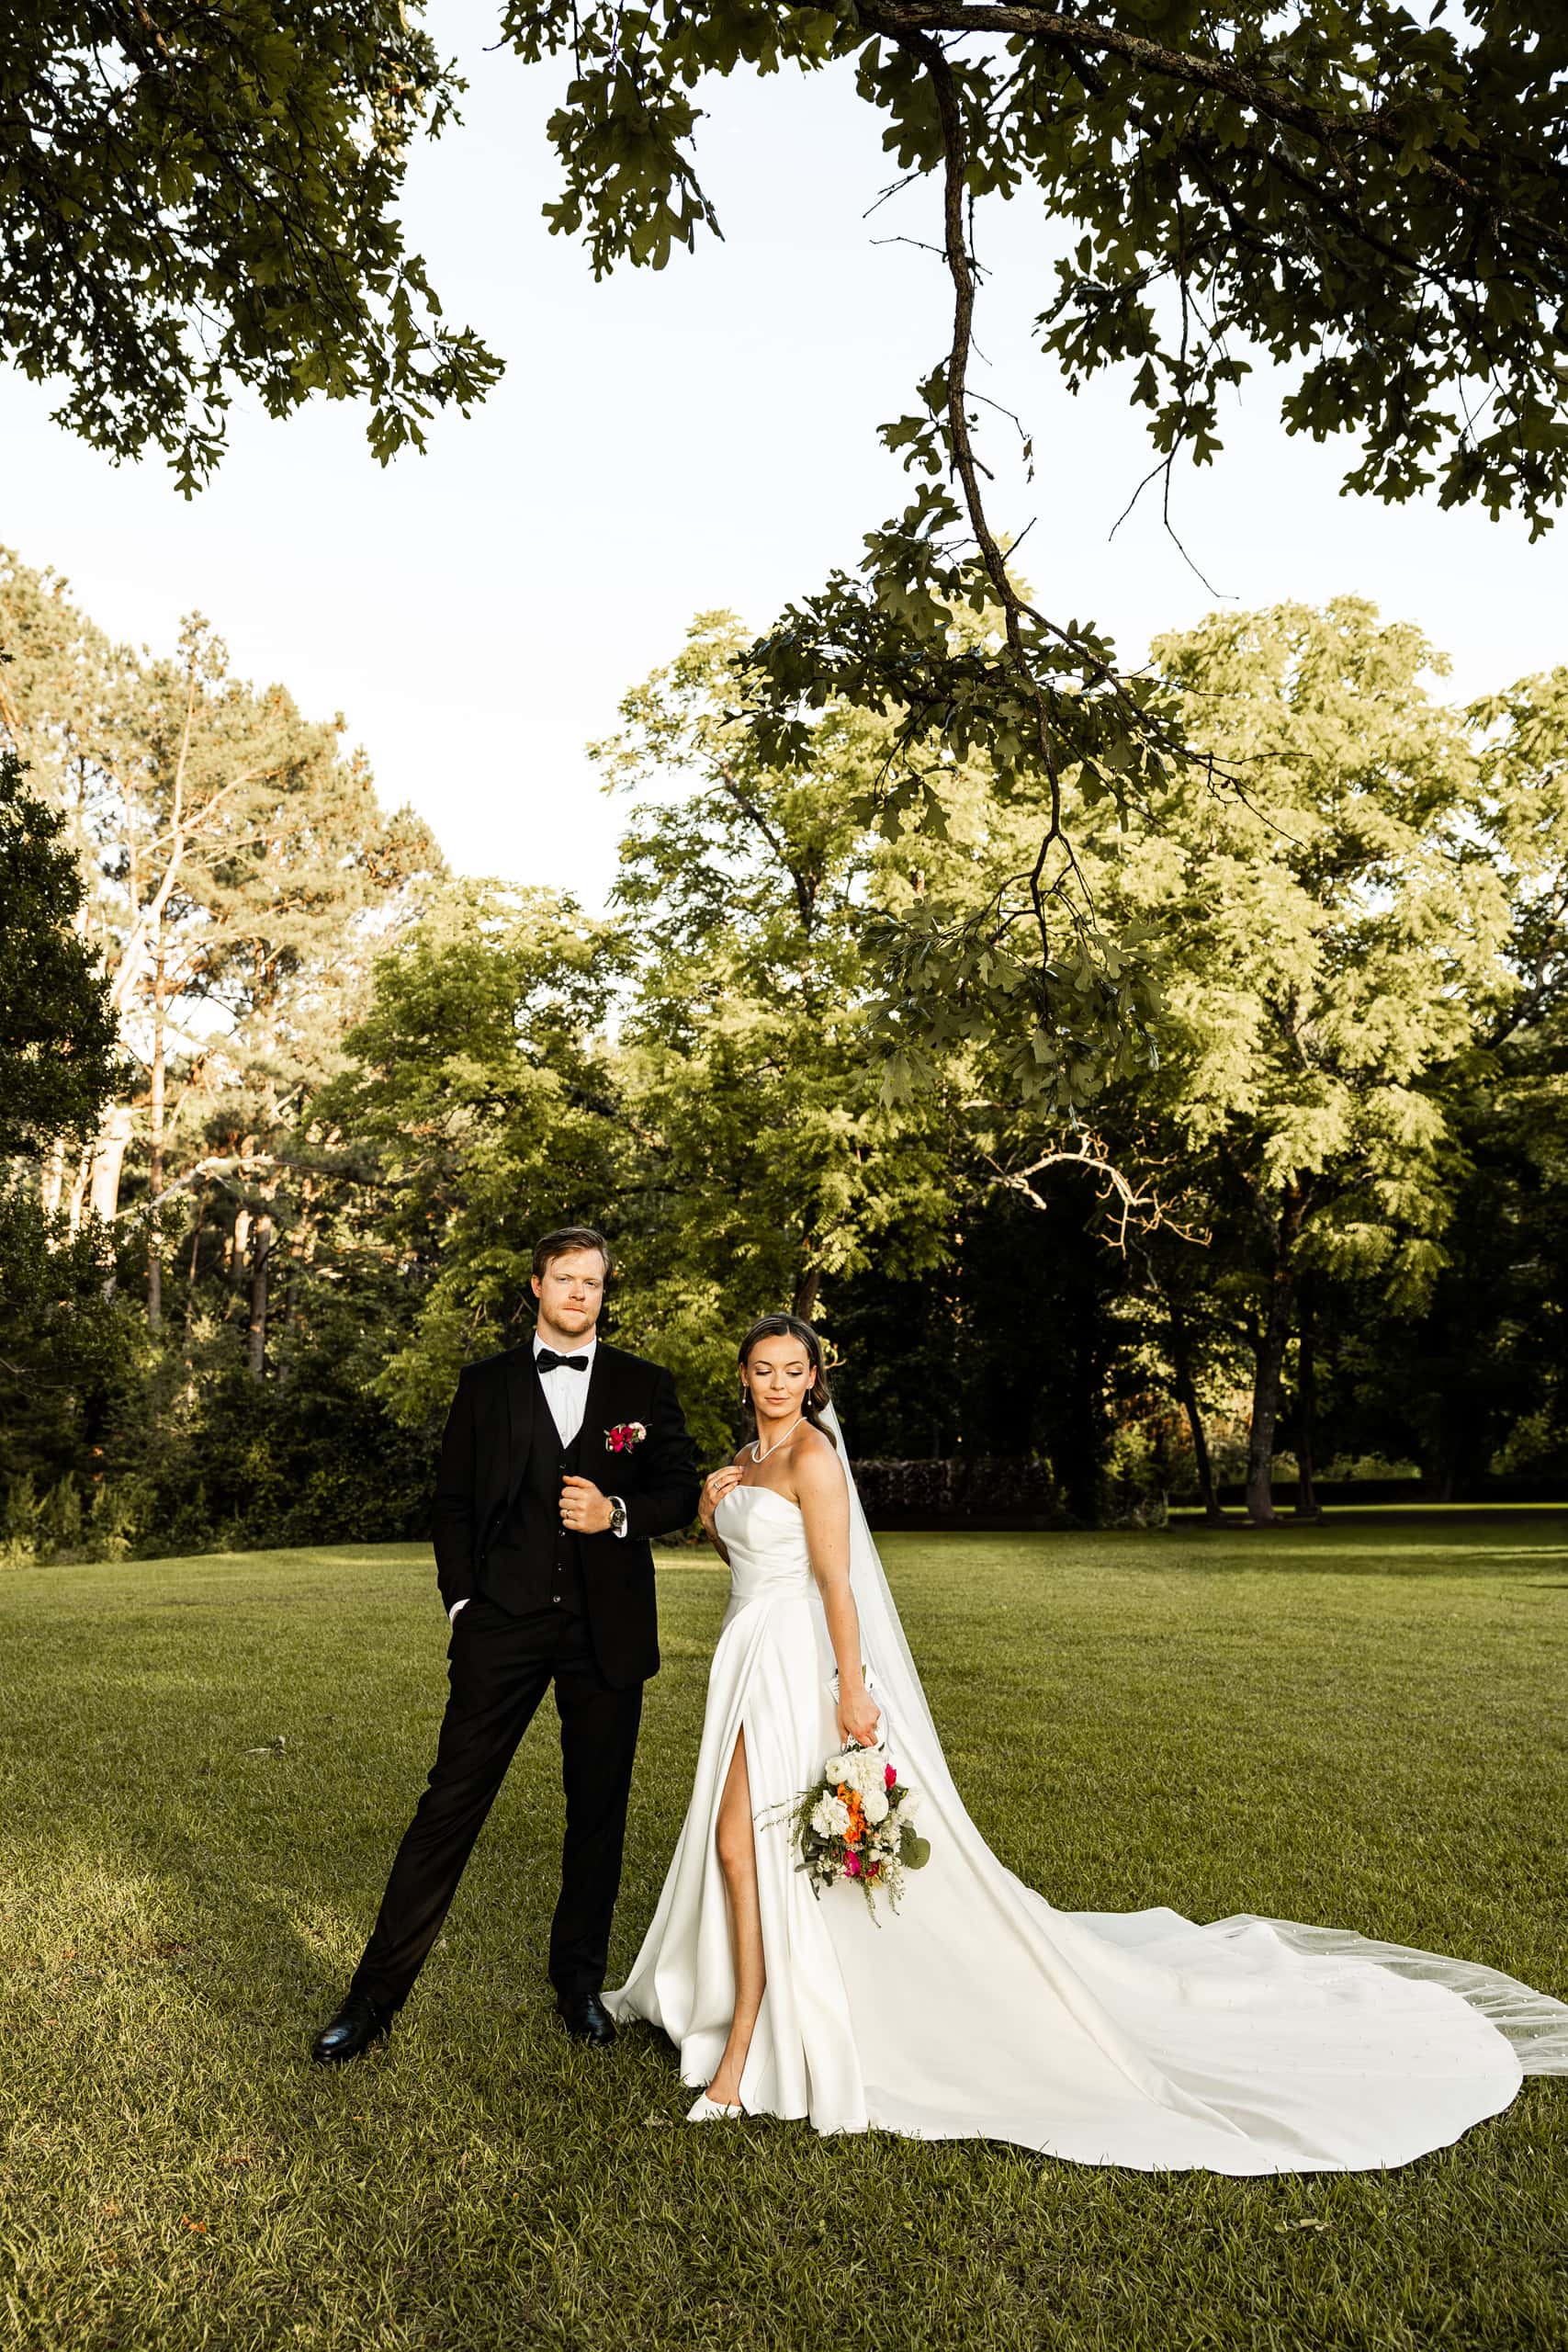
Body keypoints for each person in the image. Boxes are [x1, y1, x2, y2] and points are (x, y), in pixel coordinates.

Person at [605, 1312, 1568, 2165]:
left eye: (792, 1369)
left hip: (793, 1665)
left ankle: (743, 2057)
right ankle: (751, 2014)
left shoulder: (814, 1457)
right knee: (741, 1847)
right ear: (744, 1376)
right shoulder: (749, 1457)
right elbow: (749, 1557)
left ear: (814, 1377)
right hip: (745, 1655)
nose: (776, 1382)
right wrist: (714, 1508)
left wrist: (851, 1690)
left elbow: (835, 1584)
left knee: (745, 1845)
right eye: (762, 1369)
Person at [312, 1227, 700, 2064]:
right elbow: (452, 1502)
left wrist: (616, 1514)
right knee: (449, 1802)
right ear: (536, 1286)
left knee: (596, 1811)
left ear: (603, 1292)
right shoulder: (484, 1385)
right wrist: (462, 1603)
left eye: (593, 1282)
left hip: (605, 1629)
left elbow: (681, 1488)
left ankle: (578, 1986)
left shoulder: (643, 1384)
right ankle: (373, 1997)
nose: (580, 1293)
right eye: (566, 1279)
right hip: (503, 1625)